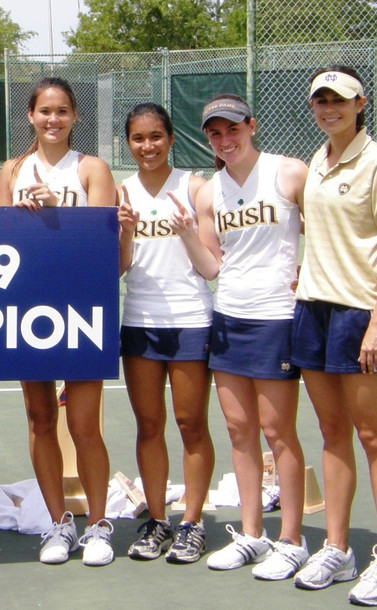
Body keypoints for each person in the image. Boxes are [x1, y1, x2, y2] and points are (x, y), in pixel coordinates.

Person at [290, 66, 377, 606]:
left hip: (360, 315)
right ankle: (338, 549)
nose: (328, 108)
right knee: (332, 430)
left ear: (360, 103)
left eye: (338, 99)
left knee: (373, 435)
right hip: (311, 310)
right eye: (320, 100)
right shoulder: (317, 161)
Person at [176, 95, 309, 580]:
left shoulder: (289, 173)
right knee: (239, 429)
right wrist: (186, 234)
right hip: (229, 318)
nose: (225, 139)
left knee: (277, 432)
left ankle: (291, 540)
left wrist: (310, 272)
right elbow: (212, 267)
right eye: (215, 133)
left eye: (232, 129)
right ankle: (252, 535)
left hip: (277, 319)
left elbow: (324, 229)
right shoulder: (209, 193)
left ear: (251, 126)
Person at [0, 77, 117, 566]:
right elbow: (0, 243)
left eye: (62, 111)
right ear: (30, 115)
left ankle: (98, 525)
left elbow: (103, 243)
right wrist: (20, 218)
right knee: (41, 419)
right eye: (44, 111)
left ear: (75, 117)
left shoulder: (91, 169)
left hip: (82, 307)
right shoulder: (13, 170)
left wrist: (56, 212)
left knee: (84, 425)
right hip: (29, 308)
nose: (53, 119)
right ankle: (57, 524)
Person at [116, 103, 215, 564]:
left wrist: (188, 230)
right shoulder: (122, 193)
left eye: (156, 136)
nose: (148, 146)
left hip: (191, 320)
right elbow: (120, 268)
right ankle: (157, 521)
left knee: (191, 423)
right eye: (138, 138)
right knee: (149, 424)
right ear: (128, 144)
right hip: (140, 321)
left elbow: (211, 265)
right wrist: (126, 233)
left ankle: (192, 523)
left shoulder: (195, 188)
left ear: (171, 139)